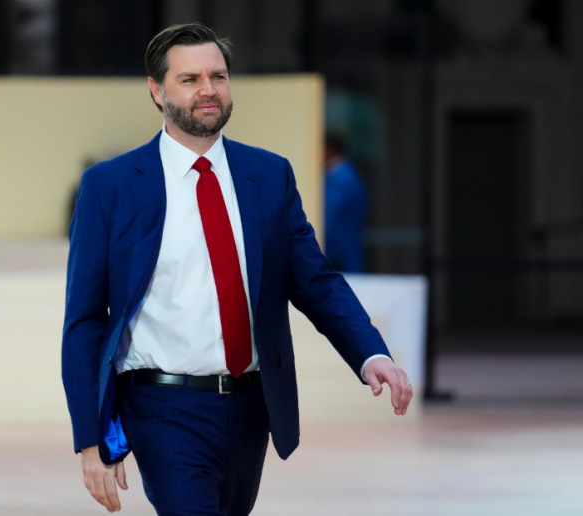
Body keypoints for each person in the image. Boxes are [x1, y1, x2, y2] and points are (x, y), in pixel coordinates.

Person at [61, 23, 412, 515]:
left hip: (251, 406)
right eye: (190, 79)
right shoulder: (110, 186)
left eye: (218, 76)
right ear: (157, 91)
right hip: (161, 406)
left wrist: (370, 353)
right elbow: (83, 320)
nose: (208, 89)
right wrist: (89, 438)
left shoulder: (267, 175)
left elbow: (315, 280)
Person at [323, 131, 368, 272]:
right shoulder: (348, 174)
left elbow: (329, 217)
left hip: (338, 256)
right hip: (345, 252)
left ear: (328, 150)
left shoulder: (340, 178)